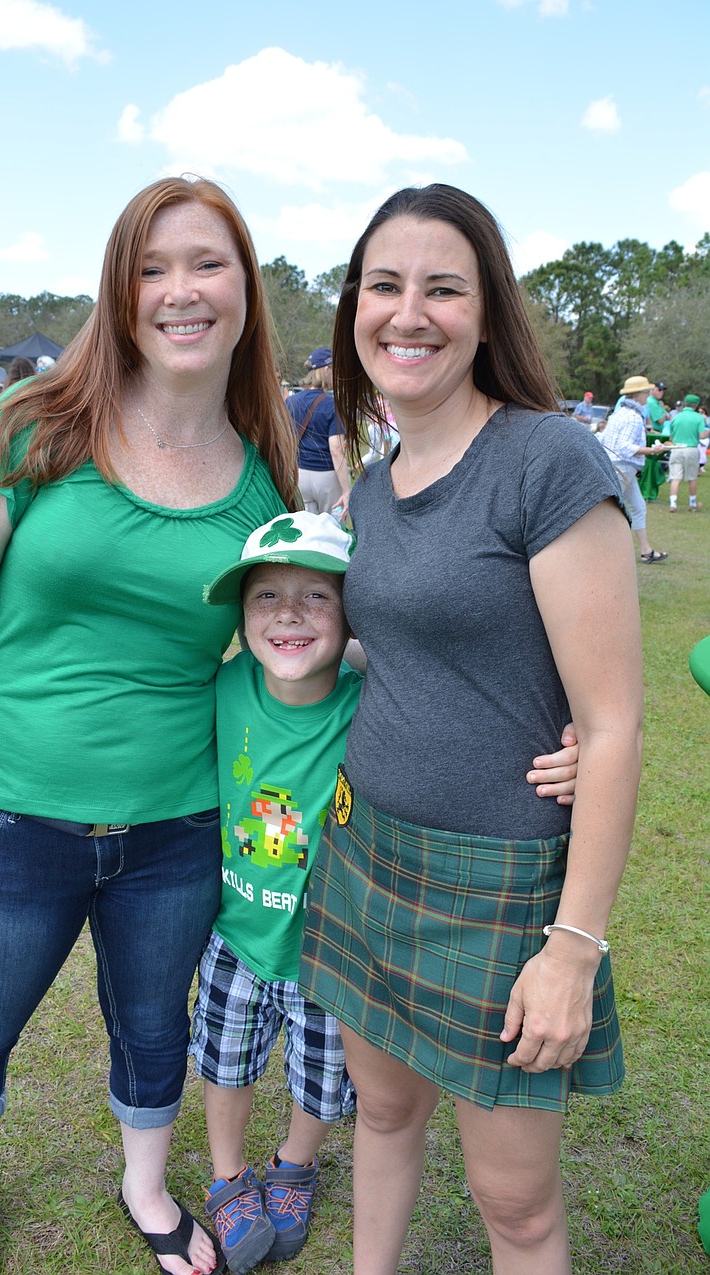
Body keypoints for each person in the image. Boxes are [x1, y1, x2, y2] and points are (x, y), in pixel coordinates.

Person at [0, 174, 299, 1275]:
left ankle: (145, 1187)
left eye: (206, 263)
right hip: (4, 822)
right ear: (119, 292)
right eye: (152, 268)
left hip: (176, 830)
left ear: (244, 288)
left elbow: (291, 644)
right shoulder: (36, 424)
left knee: (154, 1031)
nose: (181, 291)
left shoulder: (267, 470)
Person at [299, 183, 644, 1275]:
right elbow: (392, 650)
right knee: (385, 1118)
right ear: (354, 308)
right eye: (384, 286)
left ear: (485, 313)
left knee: (517, 1207)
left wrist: (571, 951)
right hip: (365, 858)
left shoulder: (548, 461)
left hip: (500, 888)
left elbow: (615, 721)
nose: (409, 313)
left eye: (442, 288)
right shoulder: (375, 486)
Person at [192, 508, 582, 1274]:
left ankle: (295, 1164)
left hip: (335, 943)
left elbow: (466, 709)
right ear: (239, 615)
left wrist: (577, 748)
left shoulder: (371, 701)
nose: (290, 615)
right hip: (234, 934)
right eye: (265, 596)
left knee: (323, 1073)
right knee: (225, 1062)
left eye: (317, 597)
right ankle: (230, 1177)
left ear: (354, 615)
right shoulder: (222, 684)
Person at [599, 375, 671, 561]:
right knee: (609, 511)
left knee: (638, 507)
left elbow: (605, 439)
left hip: (618, 466)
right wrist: (653, 450)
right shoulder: (632, 417)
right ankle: (600, 552)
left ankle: (646, 551)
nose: (648, 395)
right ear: (638, 395)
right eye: (646, 392)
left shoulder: (618, 414)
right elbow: (625, 447)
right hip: (622, 466)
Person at [286, 348, 351, 517]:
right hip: (326, 477)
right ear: (327, 369)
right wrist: (346, 489)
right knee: (333, 530)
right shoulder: (332, 405)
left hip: (299, 475)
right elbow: (336, 449)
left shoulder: (291, 401)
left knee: (308, 532)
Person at [667, 393, 708, 512]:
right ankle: (692, 503)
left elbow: (671, 437)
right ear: (696, 405)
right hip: (691, 449)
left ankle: (673, 504)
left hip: (677, 448)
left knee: (675, 477)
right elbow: (702, 435)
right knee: (692, 477)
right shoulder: (698, 418)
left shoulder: (676, 417)